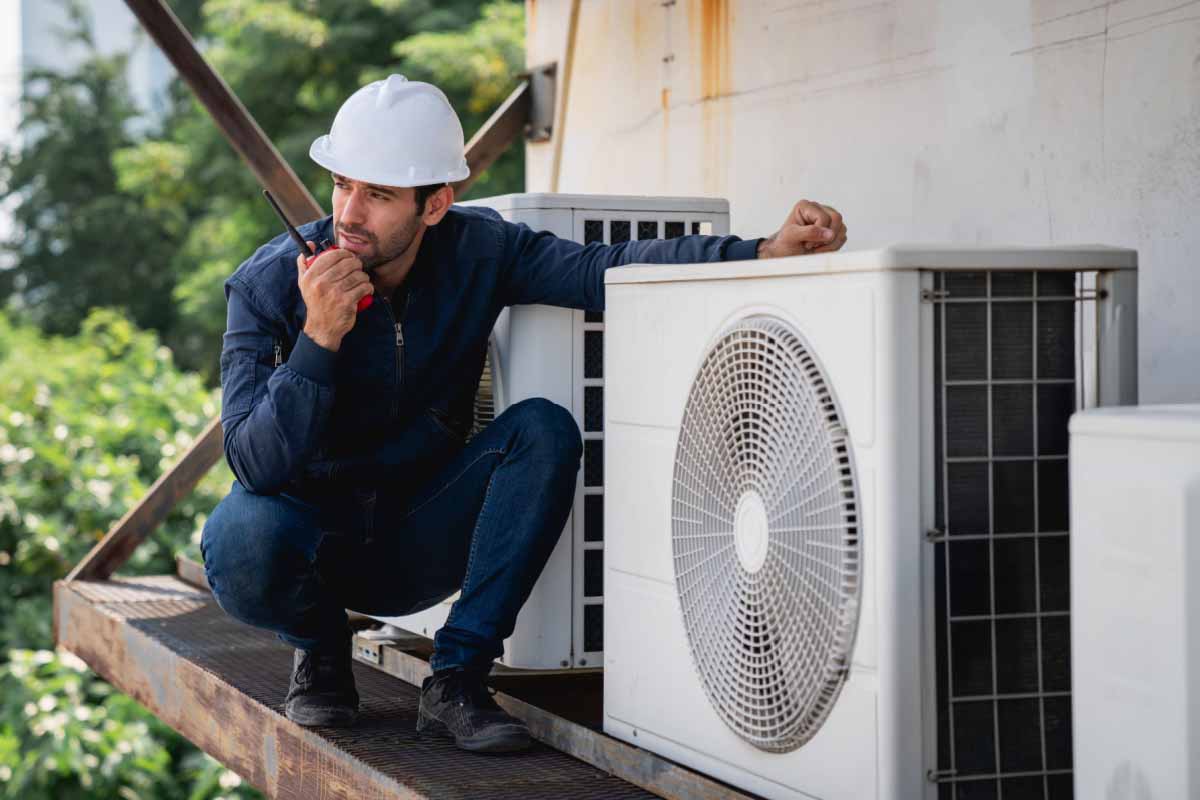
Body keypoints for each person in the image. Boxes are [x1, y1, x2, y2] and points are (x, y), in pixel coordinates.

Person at [200, 74, 848, 754]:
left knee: (542, 429)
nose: (349, 212)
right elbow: (252, 461)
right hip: (316, 545)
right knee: (240, 536)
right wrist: (319, 339)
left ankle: (456, 679)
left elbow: (609, 266)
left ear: (435, 204)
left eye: (379, 194)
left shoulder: (481, 250)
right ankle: (323, 646)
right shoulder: (268, 282)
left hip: (422, 531)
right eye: (342, 184)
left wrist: (759, 252)